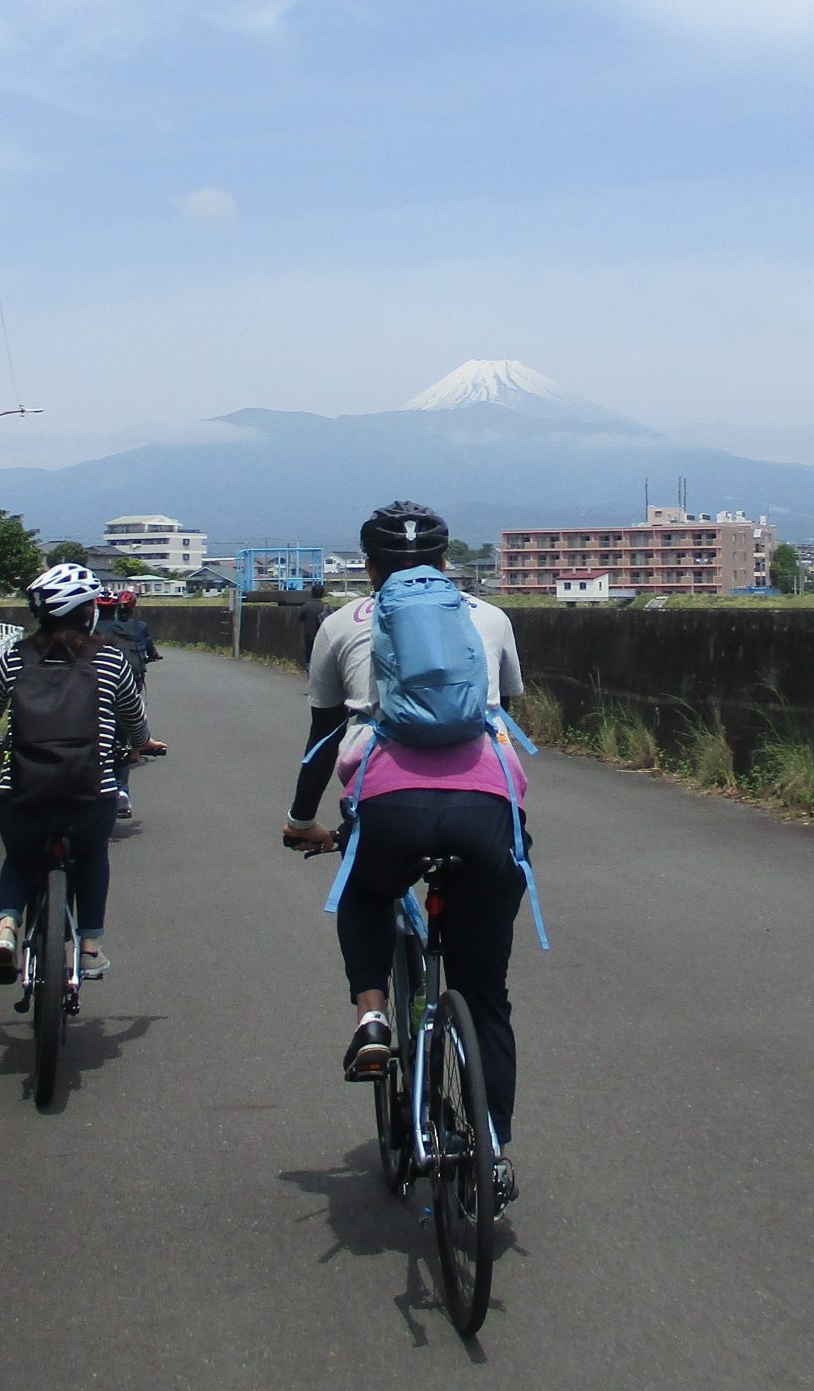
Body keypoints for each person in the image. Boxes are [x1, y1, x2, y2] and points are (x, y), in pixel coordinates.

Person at [283, 501, 530, 1206]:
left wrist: (303, 820)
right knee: (485, 994)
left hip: (387, 804)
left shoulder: (340, 624)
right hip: (487, 809)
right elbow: (506, 708)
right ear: (446, 562)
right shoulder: (489, 618)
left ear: (369, 566)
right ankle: (494, 1152)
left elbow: (323, 738)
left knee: (365, 889)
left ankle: (372, 1016)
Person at [0, 563, 146, 984]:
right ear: (87, 612)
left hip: (22, 791)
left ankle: (7, 928)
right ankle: (92, 948)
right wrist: (139, 746)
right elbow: (134, 717)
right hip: (91, 793)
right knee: (94, 855)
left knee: (21, 859)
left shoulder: (15, 658)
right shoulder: (111, 660)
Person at [95, 585, 167, 818]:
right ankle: (122, 790)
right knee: (123, 738)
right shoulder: (128, 631)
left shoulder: (88, 635)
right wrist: (142, 739)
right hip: (126, 687)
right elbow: (146, 649)